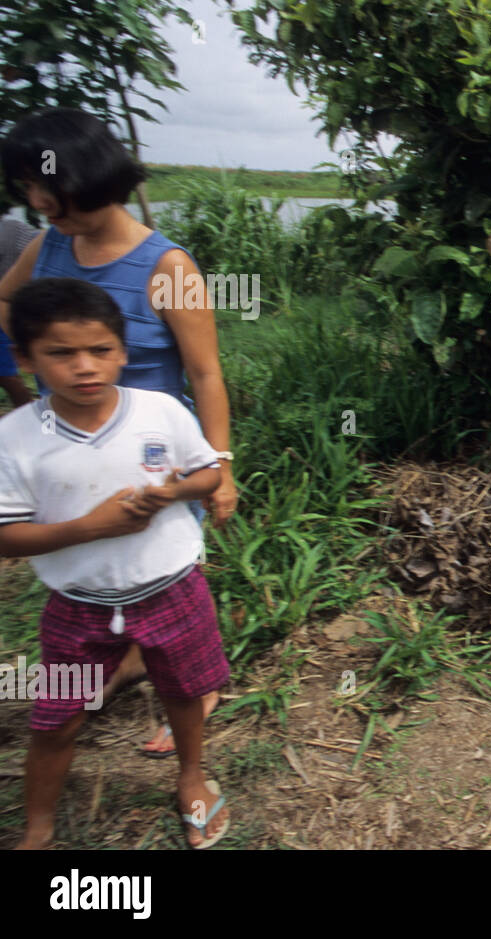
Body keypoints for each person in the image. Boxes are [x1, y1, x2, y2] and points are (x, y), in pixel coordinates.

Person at [0, 108, 235, 753]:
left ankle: (194, 687)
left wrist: (219, 465)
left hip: (155, 452)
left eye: (50, 189)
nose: (40, 202)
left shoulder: (168, 268)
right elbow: (5, 302)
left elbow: (206, 373)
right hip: (67, 447)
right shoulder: (49, 245)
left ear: (94, 174)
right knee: (94, 564)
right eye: (28, 190)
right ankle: (126, 654)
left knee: (169, 569)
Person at [0, 278, 231, 848]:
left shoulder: (159, 410)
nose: (85, 367)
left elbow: (207, 472)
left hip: (174, 590)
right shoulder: (17, 437)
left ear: (123, 352)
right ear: (26, 358)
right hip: (78, 608)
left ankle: (192, 776)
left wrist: (173, 493)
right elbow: (7, 537)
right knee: (56, 718)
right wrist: (89, 528)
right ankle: (38, 826)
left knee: (182, 691)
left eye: (100, 351)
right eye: (61, 353)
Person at [0, 217, 38, 408]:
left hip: (7, 311)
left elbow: (40, 255)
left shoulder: (13, 230)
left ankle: (39, 424)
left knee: (7, 376)